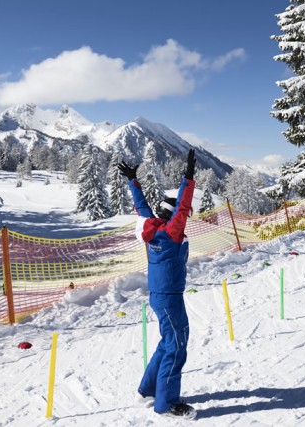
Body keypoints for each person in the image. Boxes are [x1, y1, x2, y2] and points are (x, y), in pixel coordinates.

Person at [118, 149, 197, 419]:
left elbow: (142, 209)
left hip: (159, 296)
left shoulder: (153, 228)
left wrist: (133, 181)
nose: (184, 219)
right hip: (170, 298)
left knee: (168, 342)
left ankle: (148, 390)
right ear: (173, 215)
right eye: (180, 216)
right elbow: (184, 208)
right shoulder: (173, 232)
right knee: (176, 346)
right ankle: (166, 403)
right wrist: (188, 179)